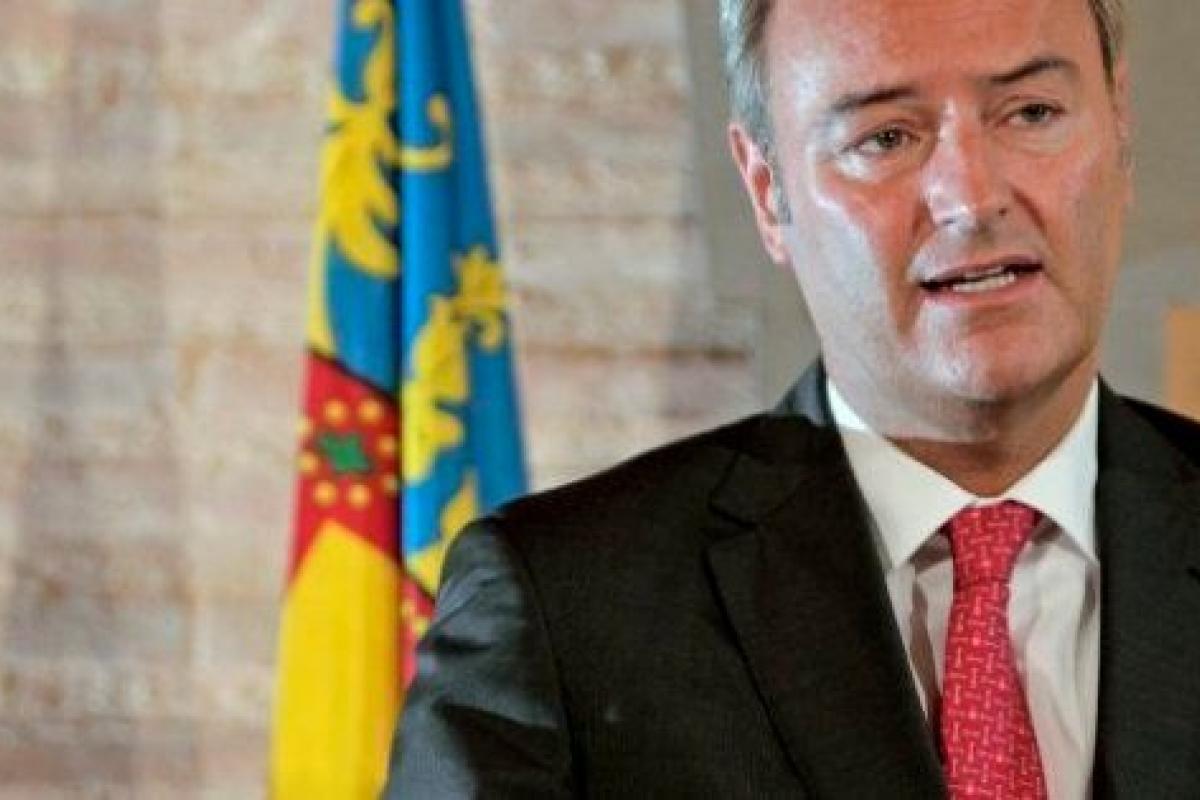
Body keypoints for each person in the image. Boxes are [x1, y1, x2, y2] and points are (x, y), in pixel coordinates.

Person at [387, 0, 1200, 796]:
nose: (971, 194)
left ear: (1120, 126)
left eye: (1031, 113)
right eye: (886, 138)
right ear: (766, 189)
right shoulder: (562, 614)